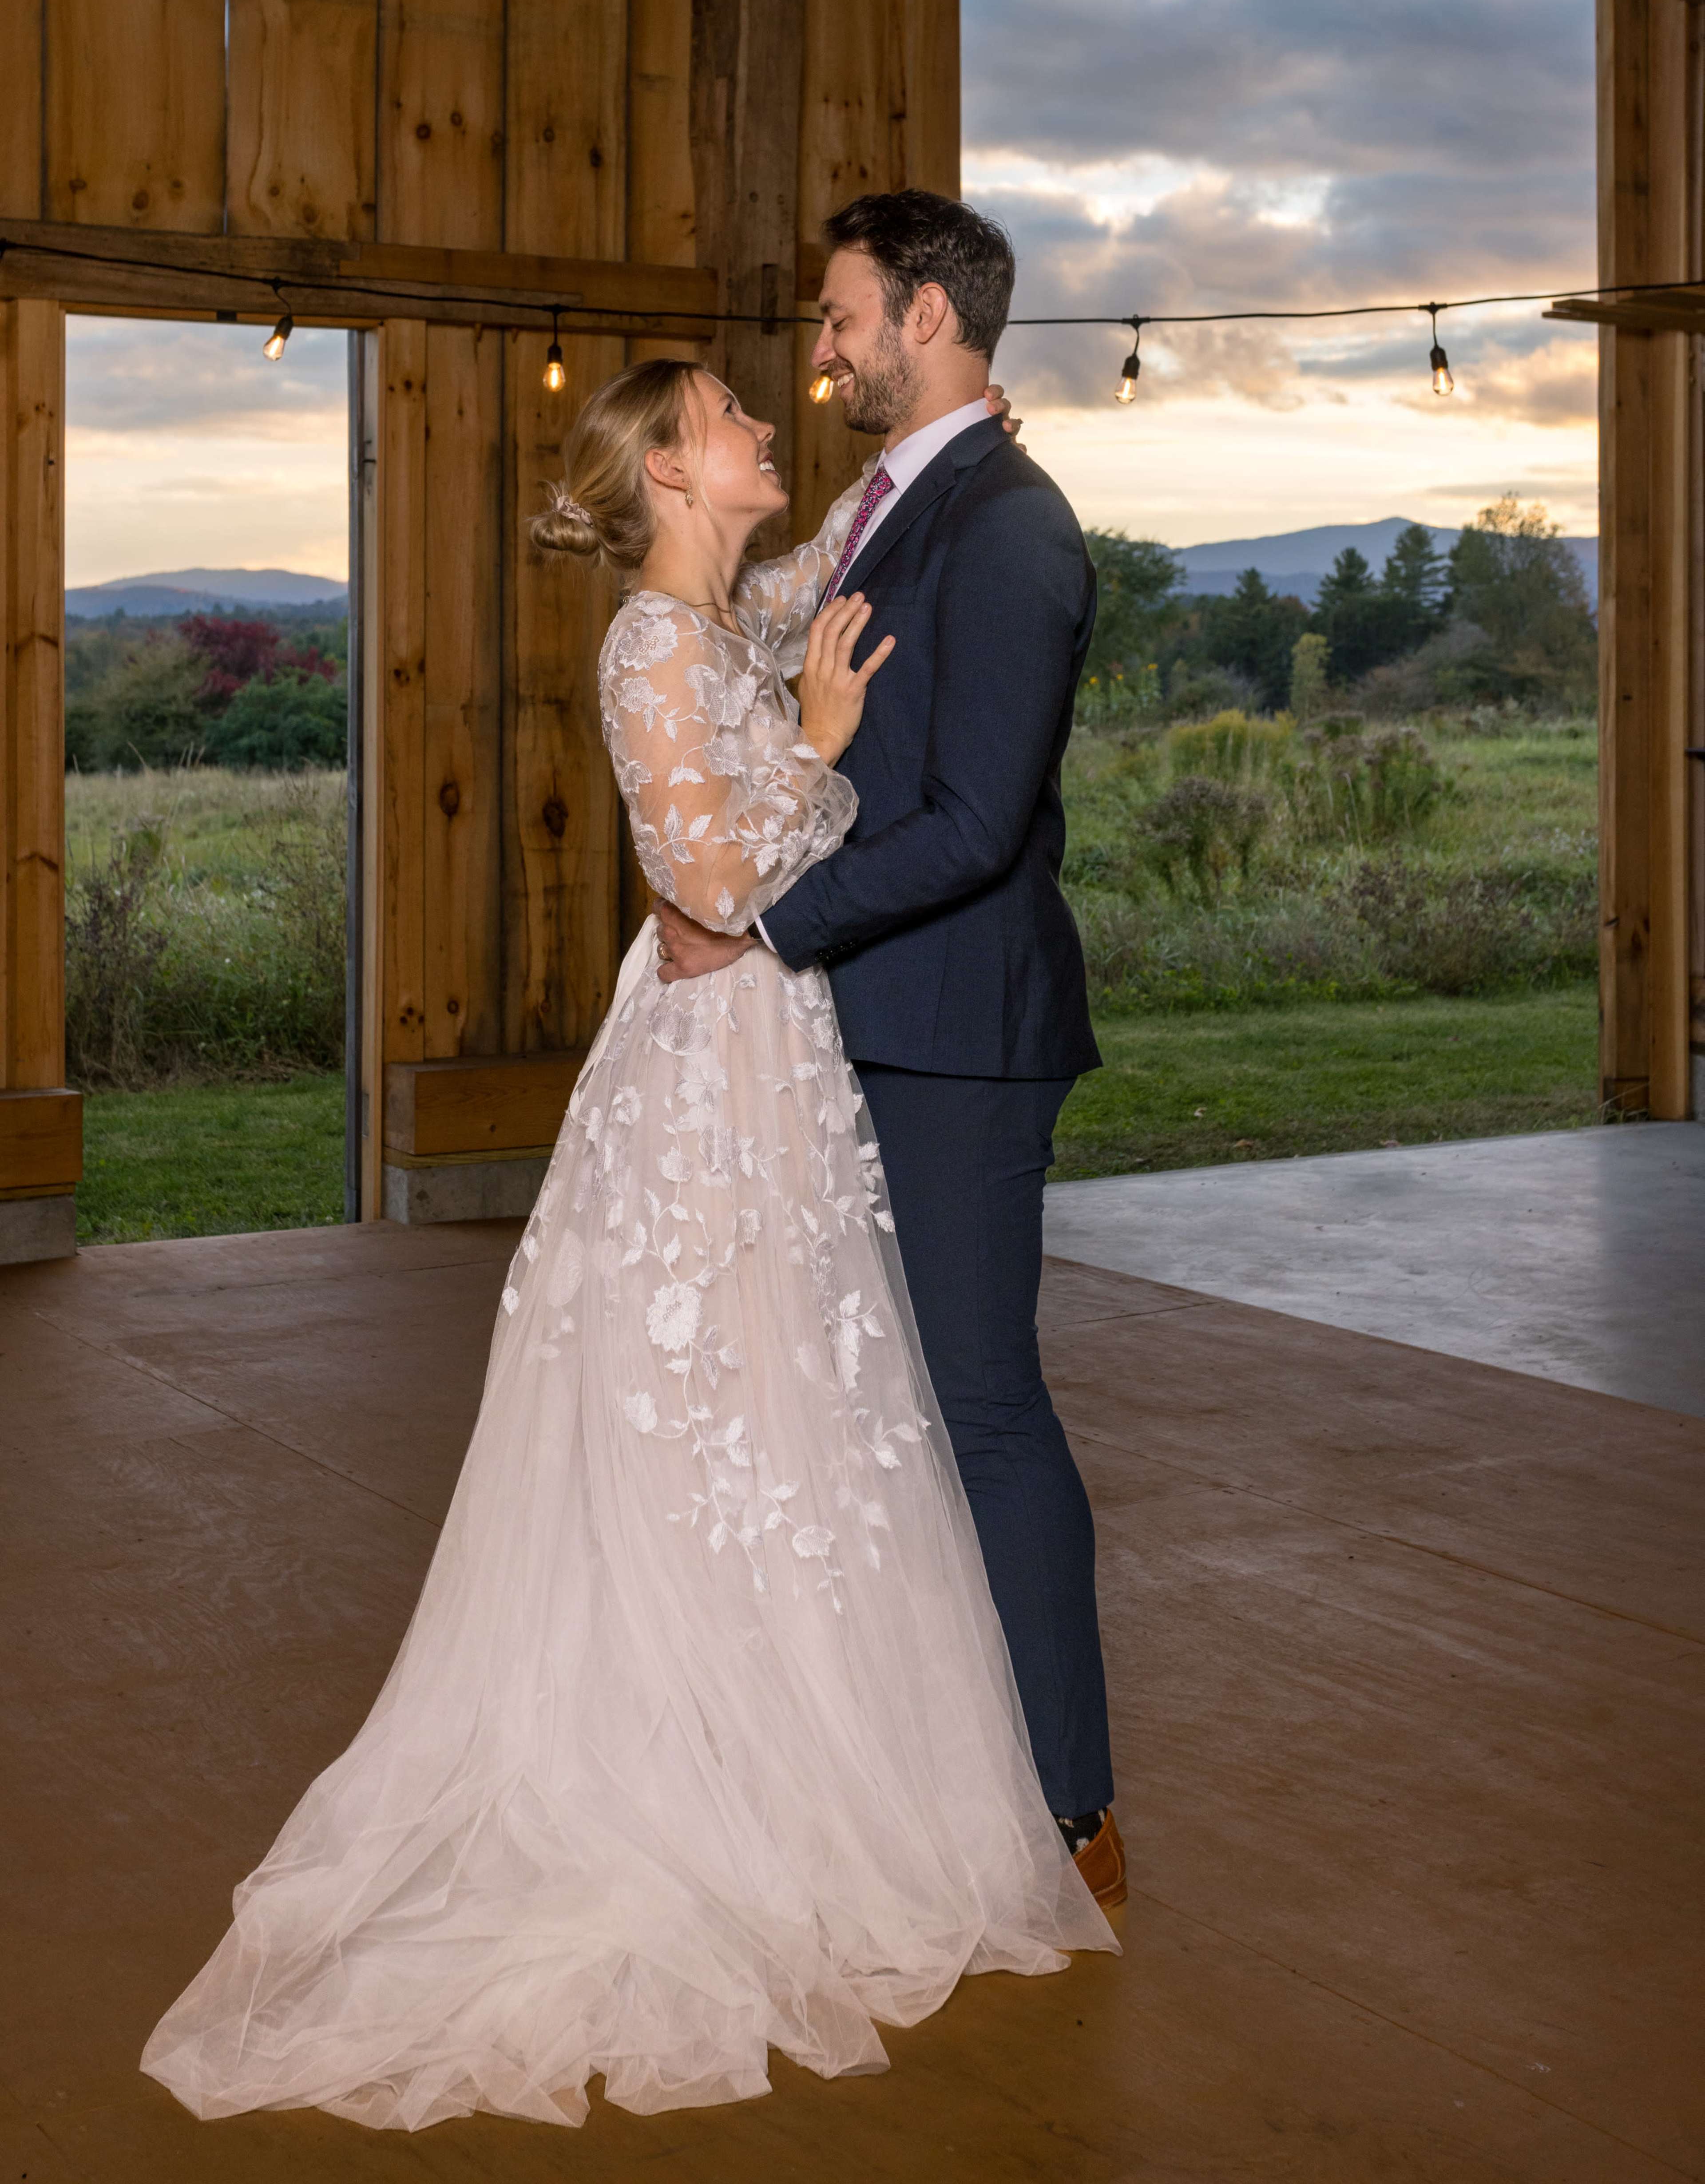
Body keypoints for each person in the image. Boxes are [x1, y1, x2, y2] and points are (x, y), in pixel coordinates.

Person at [140, 353, 1115, 2137]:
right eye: (738, 415)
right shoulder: (656, 649)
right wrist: (816, 749)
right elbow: (702, 888)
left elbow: (855, 529)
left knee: (799, 1414)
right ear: (671, 468)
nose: (773, 420)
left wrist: (953, 398)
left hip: (779, 1064)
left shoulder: (737, 608)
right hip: (702, 1083)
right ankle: (675, 1805)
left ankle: (806, 1782)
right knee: (702, 1419)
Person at [654, 191, 1121, 1902]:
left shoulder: (1007, 528)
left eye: (845, 316)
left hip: (955, 1034)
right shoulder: (888, 508)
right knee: (878, 1415)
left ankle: (1073, 1808)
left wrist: (766, 926)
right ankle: (922, 1772)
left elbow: (976, 824)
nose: (826, 348)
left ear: (927, 315)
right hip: (862, 1018)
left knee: (982, 1406)